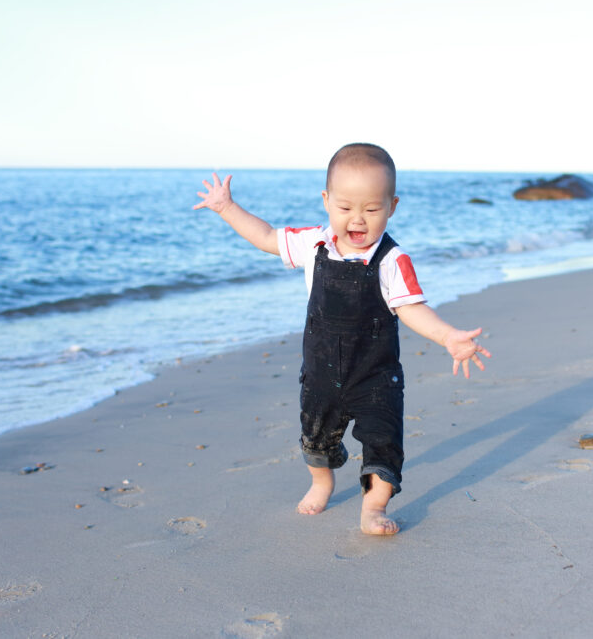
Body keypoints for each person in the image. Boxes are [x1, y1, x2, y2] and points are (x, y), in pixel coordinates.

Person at [193, 143, 491, 535]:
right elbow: (266, 236)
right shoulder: (313, 242)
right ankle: (322, 481)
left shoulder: (392, 260)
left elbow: (412, 309)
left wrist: (449, 336)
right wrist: (227, 208)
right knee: (316, 438)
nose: (358, 219)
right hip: (321, 372)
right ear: (326, 201)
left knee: (383, 444)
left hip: (376, 376)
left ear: (392, 206)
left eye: (372, 209)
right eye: (346, 207)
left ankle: (373, 507)